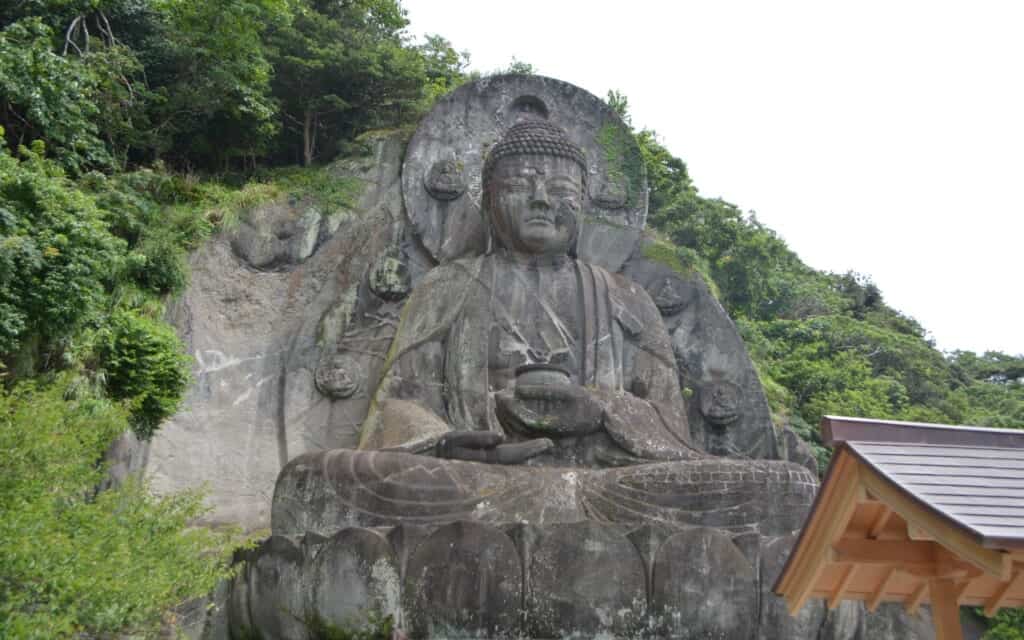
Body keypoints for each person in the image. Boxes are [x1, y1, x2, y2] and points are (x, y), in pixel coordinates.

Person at [358, 118, 702, 468]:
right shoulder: (446, 285)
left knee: (746, 482)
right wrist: (444, 444)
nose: (540, 200)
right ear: (489, 202)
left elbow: (669, 421)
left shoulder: (628, 297)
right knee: (331, 471)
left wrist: (601, 410)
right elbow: (400, 401)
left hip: (598, 473)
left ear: (581, 205)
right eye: (519, 185)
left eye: (560, 189)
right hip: (474, 475)